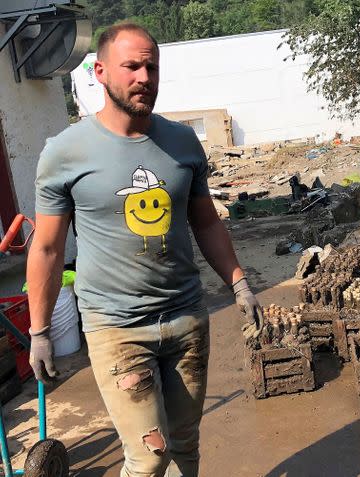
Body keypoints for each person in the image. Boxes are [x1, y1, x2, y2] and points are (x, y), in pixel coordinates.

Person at [26, 23, 262, 476]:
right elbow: (49, 248)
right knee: (149, 456)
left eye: (151, 67)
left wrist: (240, 283)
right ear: (99, 72)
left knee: (187, 448)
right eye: (131, 66)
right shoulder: (66, 152)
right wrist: (40, 331)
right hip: (116, 327)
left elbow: (206, 221)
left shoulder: (181, 143)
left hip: (186, 317)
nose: (144, 77)